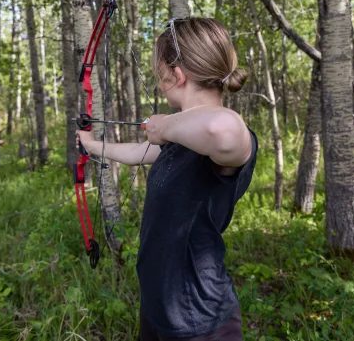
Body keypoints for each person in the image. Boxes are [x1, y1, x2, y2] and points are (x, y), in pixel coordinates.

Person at [77, 18, 258, 341]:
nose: (159, 82)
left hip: (200, 316)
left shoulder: (224, 136)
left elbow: (224, 130)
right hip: (161, 304)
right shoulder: (184, 140)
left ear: (177, 75)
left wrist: (166, 126)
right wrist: (92, 146)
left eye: (160, 74)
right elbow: (138, 152)